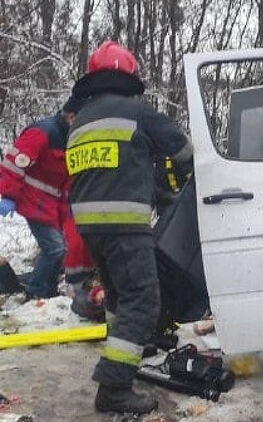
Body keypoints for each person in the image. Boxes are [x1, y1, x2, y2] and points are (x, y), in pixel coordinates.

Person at [67, 41, 193, 414]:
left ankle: (124, 350)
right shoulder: (137, 112)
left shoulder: (81, 120)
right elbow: (183, 150)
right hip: (124, 223)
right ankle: (114, 387)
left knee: (119, 298)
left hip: (90, 226)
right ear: (129, 77)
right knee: (143, 299)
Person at [0, 97, 85, 298]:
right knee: (55, 249)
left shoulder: (72, 137)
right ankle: (37, 291)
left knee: (60, 249)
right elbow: (14, 164)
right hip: (33, 200)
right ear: (71, 116)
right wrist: (8, 195)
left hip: (53, 204)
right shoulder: (42, 133)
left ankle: (43, 285)